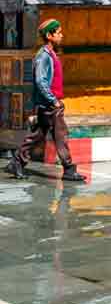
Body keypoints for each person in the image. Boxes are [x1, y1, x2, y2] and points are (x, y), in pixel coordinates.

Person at [7, 19, 85, 182]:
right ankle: (69, 169)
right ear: (49, 35)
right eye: (58, 33)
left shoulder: (50, 54)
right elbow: (40, 81)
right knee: (60, 136)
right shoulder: (43, 56)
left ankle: (18, 161)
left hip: (49, 105)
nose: (61, 35)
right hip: (50, 105)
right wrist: (53, 100)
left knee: (38, 136)